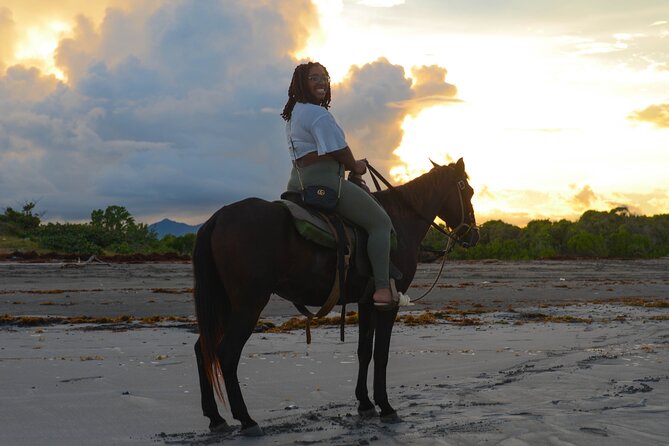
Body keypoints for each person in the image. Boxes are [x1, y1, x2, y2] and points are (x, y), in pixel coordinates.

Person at [281, 61, 398, 309]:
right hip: (324, 182)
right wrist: (355, 166)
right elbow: (339, 150)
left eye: (324, 77)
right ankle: (382, 289)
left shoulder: (295, 113)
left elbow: (318, 152)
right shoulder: (317, 114)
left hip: (297, 180)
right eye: (314, 78)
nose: (321, 82)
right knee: (380, 223)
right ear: (301, 82)